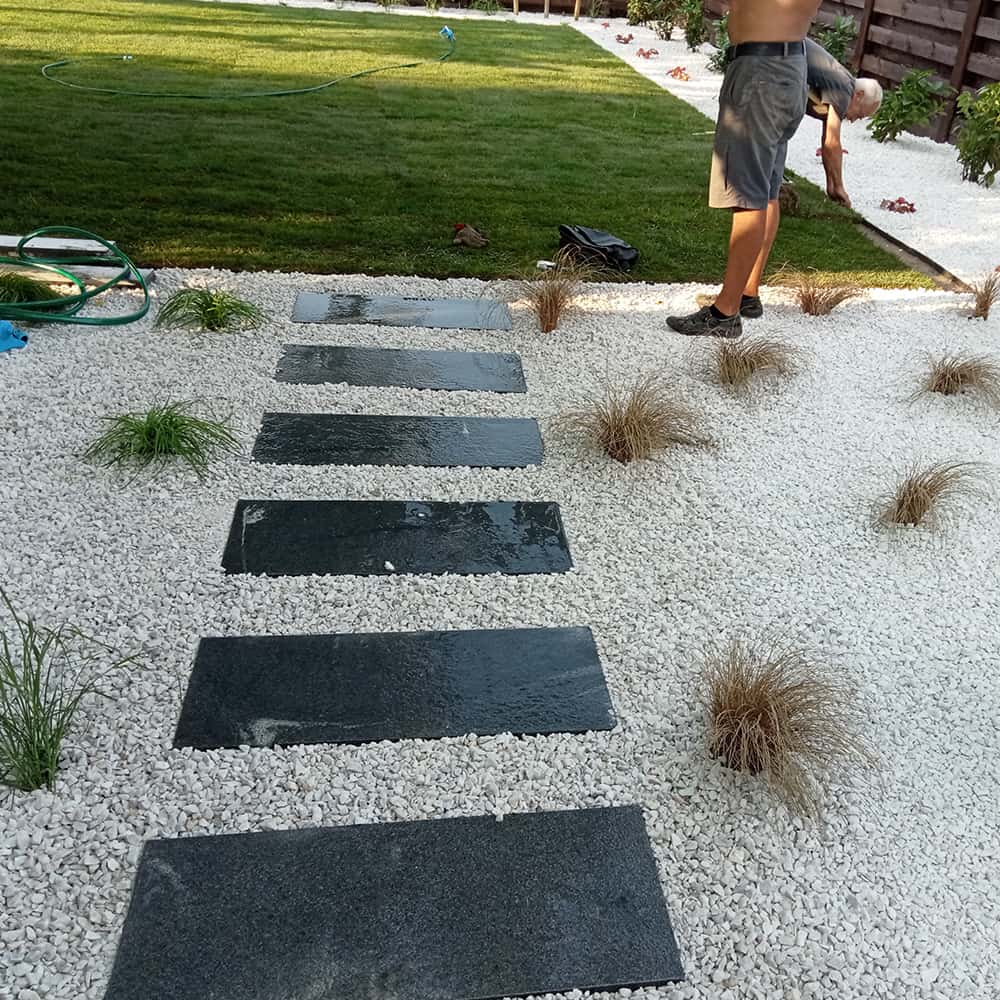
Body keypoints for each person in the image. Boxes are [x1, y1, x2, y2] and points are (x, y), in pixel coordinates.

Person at [667, 0, 820, 339]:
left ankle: (725, 313)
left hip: (761, 72)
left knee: (747, 195)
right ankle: (746, 293)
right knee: (766, 189)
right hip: (789, 67)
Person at [805, 38, 883, 209]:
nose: (854, 120)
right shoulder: (844, 89)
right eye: (860, 114)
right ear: (859, 95)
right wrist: (840, 187)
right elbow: (833, 143)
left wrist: (831, 186)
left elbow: (827, 142)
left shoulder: (842, 83)